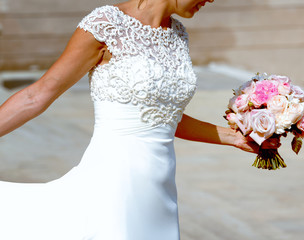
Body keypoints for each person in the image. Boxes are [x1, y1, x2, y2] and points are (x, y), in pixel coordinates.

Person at [0, 0, 280, 239]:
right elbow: (37, 96)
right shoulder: (106, 24)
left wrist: (235, 137)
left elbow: (164, 117)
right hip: (113, 181)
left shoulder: (178, 34)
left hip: (160, 190)